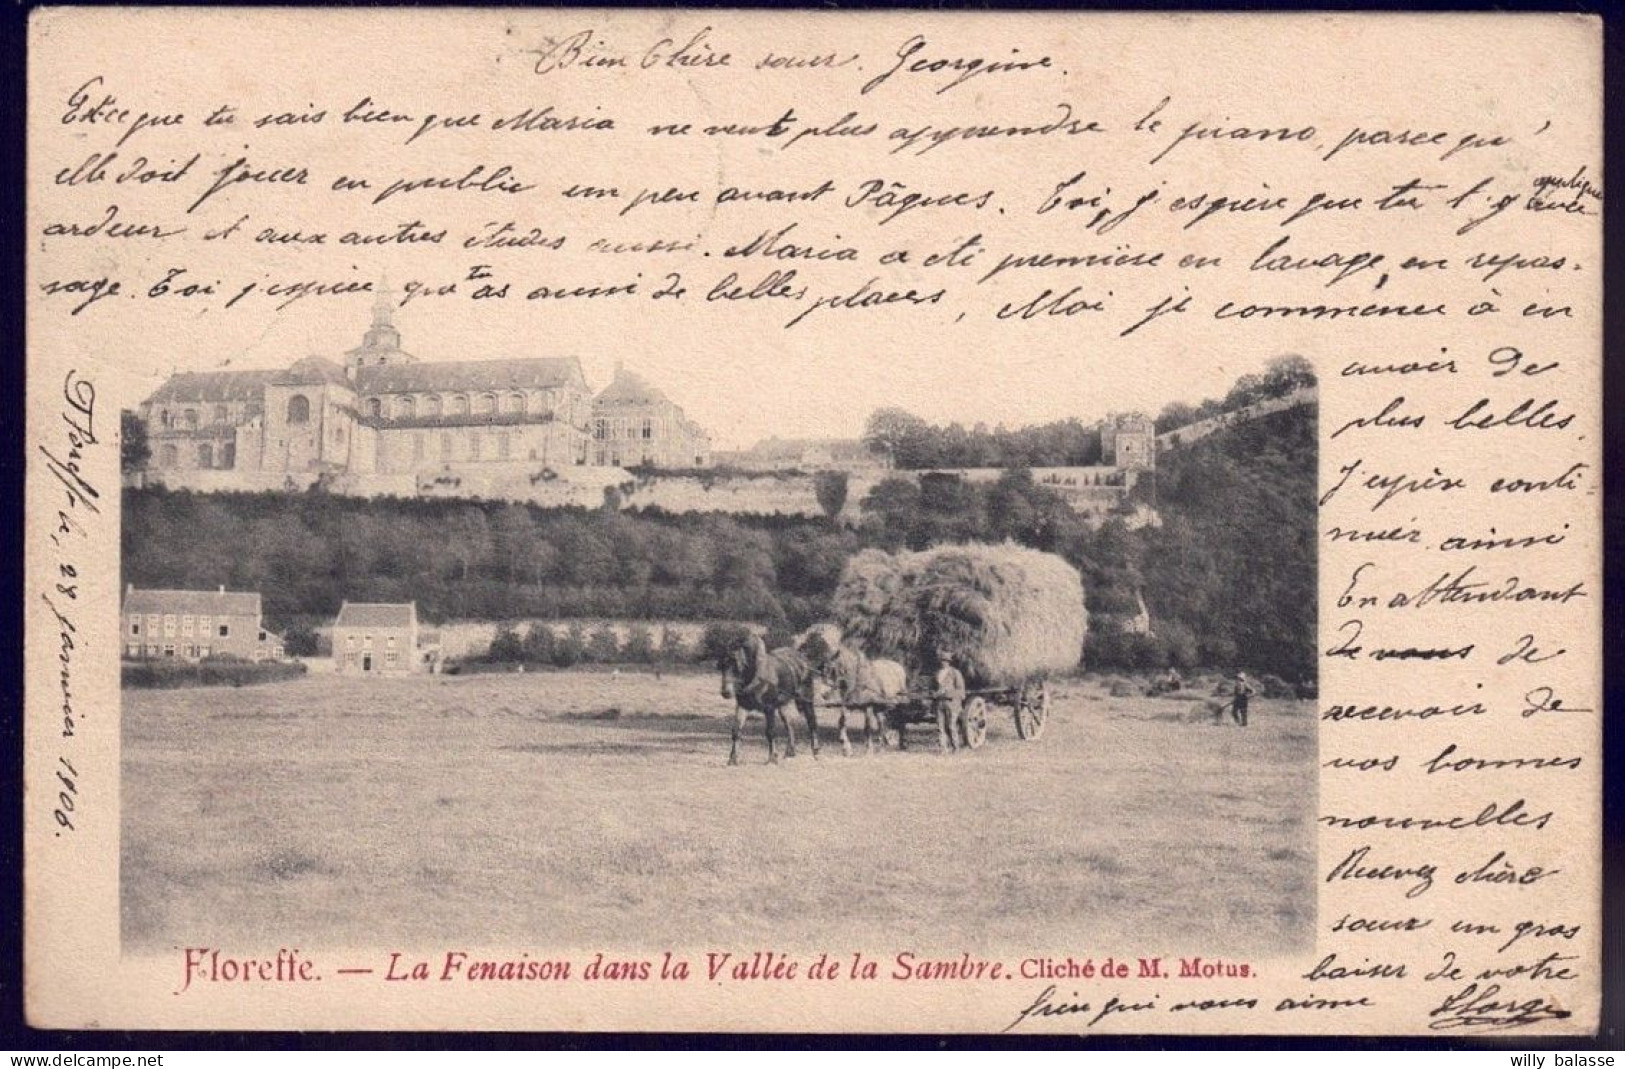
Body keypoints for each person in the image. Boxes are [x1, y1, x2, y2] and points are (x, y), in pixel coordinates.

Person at [933, 647, 968, 752]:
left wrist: (949, 694)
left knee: (951, 725)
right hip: (940, 702)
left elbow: (961, 690)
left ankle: (955, 747)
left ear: (949, 662)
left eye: (946, 661)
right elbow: (935, 688)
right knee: (940, 726)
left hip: (951, 703)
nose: (943, 663)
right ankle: (944, 748)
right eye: (942, 661)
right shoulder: (938, 674)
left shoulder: (955, 673)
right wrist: (936, 694)